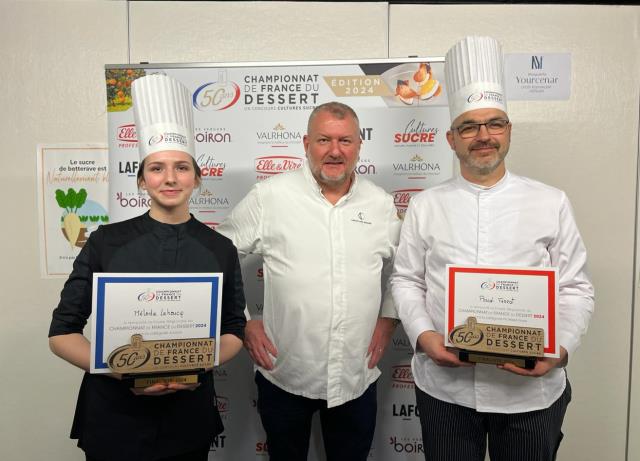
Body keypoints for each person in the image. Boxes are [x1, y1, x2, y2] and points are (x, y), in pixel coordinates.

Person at [390, 36, 594, 461]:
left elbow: (575, 288)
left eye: (494, 123)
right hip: (446, 391)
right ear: (451, 139)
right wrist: (425, 337)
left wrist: (560, 351)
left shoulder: (550, 201)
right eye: (469, 126)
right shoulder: (426, 205)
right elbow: (406, 280)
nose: (484, 136)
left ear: (508, 131)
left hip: (530, 394)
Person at [48, 73, 247, 461]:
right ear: (141, 180)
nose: (169, 178)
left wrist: (186, 363)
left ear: (197, 178)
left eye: (181, 168)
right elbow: (61, 333)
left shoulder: (219, 249)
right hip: (114, 418)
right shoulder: (106, 242)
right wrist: (120, 368)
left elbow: (234, 331)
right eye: (156, 168)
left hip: (186, 420)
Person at [216, 101, 401, 461]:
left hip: (354, 376)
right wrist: (243, 321)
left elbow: (407, 268)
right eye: (324, 140)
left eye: (345, 140)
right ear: (305, 143)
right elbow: (218, 255)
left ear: (359, 145)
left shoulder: (380, 204)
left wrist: (389, 318)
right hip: (285, 372)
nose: (335, 151)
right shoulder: (269, 197)